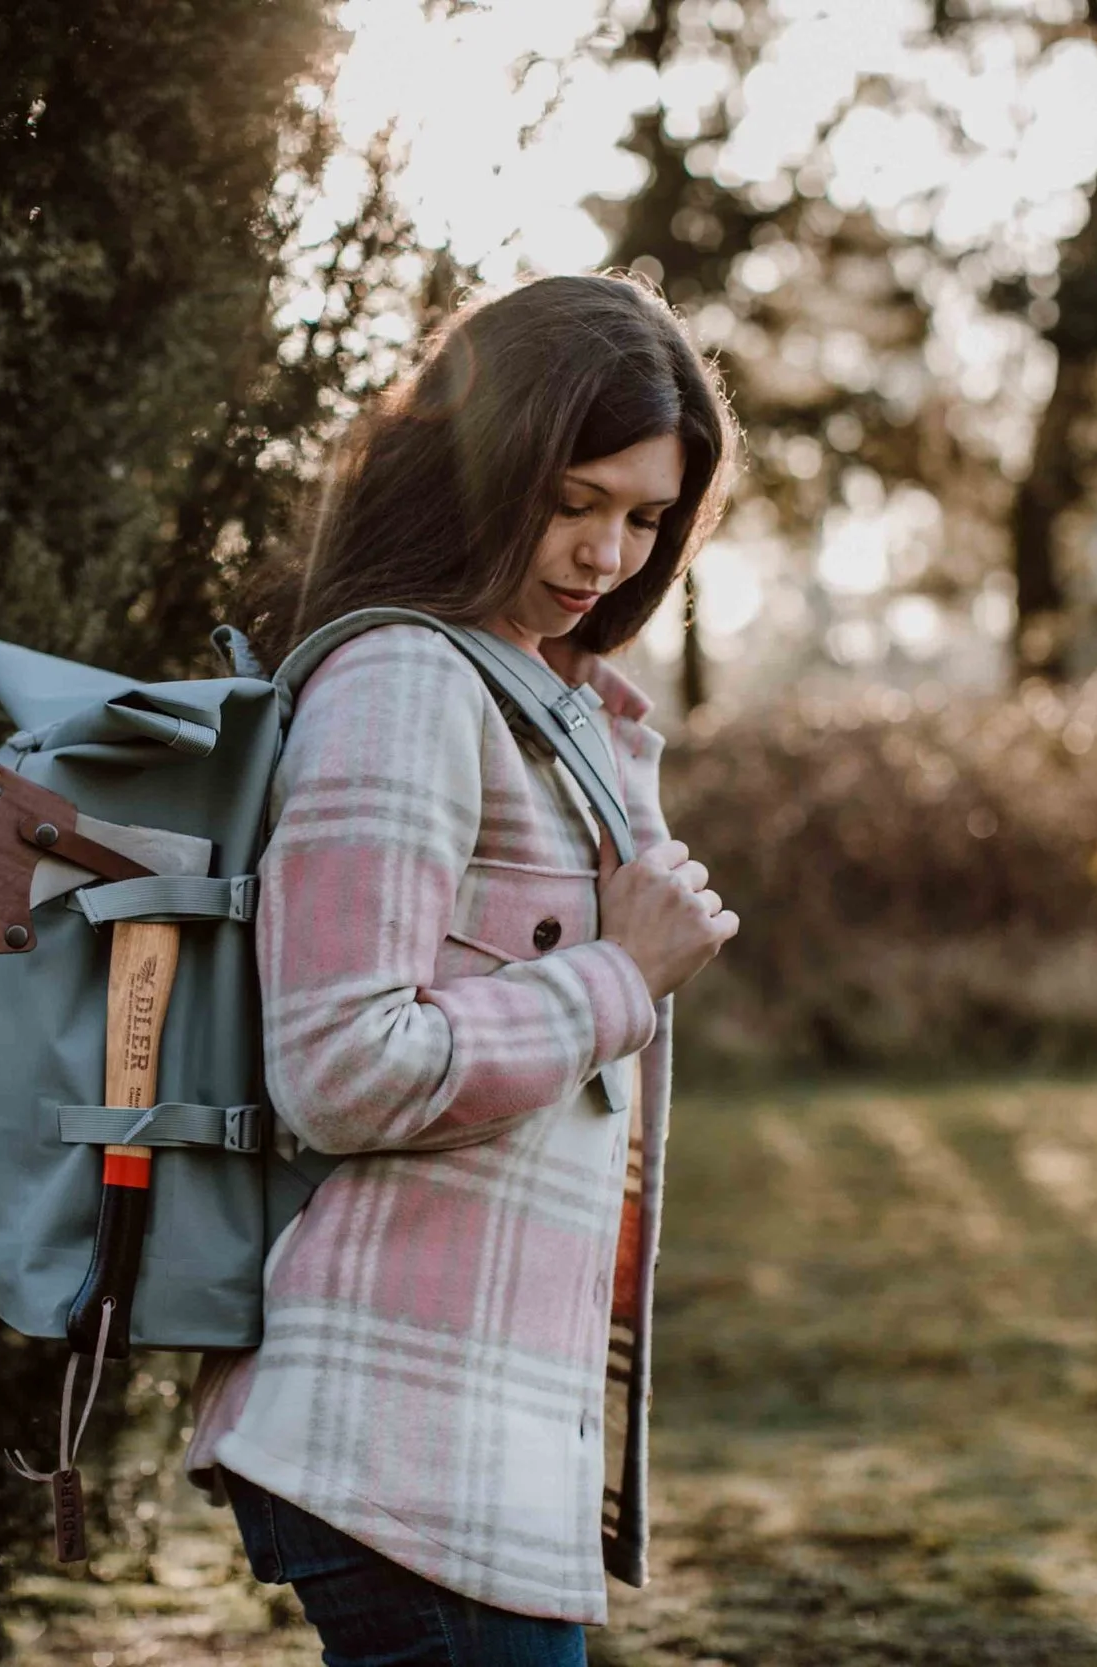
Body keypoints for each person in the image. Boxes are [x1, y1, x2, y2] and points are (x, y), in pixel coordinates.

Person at [183, 272, 740, 1667]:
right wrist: (620, 973)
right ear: (481, 467)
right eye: (574, 497)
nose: (609, 551)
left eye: (645, 516)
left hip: (486, 1444)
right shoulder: (404, 683)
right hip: (399, 1442)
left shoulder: (543, 704)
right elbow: (340, 1061)